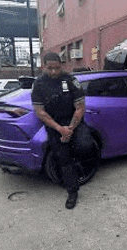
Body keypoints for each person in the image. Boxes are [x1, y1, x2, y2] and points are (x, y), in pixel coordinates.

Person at [31, 52, 94, 209]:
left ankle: (76, 159)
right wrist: (60, 129)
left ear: (62, 66)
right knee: (63, 159)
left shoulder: (71, 80)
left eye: (57, 68)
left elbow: (80, 107)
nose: (53, 72)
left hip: (74, 122)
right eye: (49, 68)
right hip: (54, 126)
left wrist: (70, 129)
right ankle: (72, 192)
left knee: (86, 146)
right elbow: (40, 112)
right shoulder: (38, 84)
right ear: (43, 66)